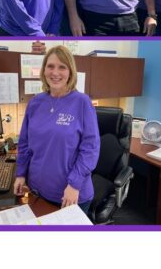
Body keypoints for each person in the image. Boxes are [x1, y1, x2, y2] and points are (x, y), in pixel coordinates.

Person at [13, 46, 100, 213]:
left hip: (70, 195)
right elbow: (24, 144)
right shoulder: (35, 103)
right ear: (44, 70)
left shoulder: (82, 102)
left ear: (70, 72)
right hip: (37, 190)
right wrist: (20, 174)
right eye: (50, 66)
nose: (55, 72)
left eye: (62, 67)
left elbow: (90, 149)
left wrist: (74, 184)